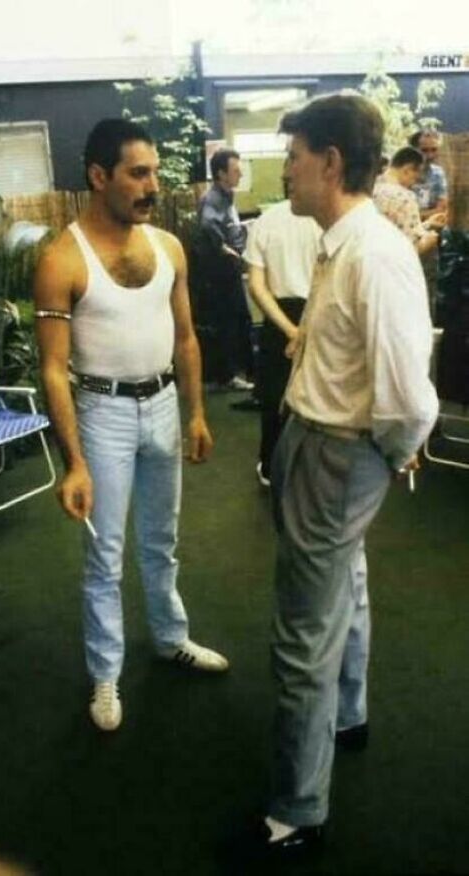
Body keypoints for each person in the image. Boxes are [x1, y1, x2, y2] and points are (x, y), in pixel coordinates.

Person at [239, 94, 438, 861]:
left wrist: (381, 459)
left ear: (328, 162)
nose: (283, 168)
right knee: (344, 591)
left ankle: (297, 812)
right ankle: (349, 717)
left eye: (292, 157)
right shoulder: (340, 242)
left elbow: (409, 398)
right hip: (317, 443)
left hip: (336, 455)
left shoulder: (373, 252)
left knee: (301, 638)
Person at [34, 118, 228, 733]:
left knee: (160, 540)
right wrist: (75, 462)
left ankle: (172, 637)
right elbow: (53, 370)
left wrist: (196, 412)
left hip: (165, 406)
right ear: (99, 176)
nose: (152, 184)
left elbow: (187, 337)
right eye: (138, 173)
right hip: (102, 413)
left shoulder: (168, 247)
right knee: (105, 555)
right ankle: (106, 675)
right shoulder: (62, 259)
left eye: (154, 171)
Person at [243, 198, 319, 487]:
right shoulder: (326, 219)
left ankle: (272, 466)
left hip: (278, 319)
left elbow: (256, 286)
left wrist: (288, 330)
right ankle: (307, 468)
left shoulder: (267, 221)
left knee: (274, 397)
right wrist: (302, 329)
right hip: (316, 313)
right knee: (317, 394)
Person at [196, 148, 254, 392]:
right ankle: (226, 376)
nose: (240, 173)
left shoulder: (227, 196)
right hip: (219, 274)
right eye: (235, 170)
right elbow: (209, 227)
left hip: (229, 270)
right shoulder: (212, 199)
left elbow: (229, 226)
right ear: (221, 174)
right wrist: (227, 251)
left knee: (240, 320)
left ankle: (237, 372)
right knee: (227, 322)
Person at [373, 146, 446, 254]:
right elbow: (411, 249)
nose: (413, 184)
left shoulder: (371, 187)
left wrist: (428, 224)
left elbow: (399, 227)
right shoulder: (405, 197)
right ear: (407, 170)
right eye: (415, 178)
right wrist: (430, 239)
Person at [409, 129, 449, 220]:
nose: (430, 155)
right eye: (424, 150)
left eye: (434, 149)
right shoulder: (402, 173)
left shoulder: (438, 173)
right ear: (413, 150)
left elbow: (442, 208)